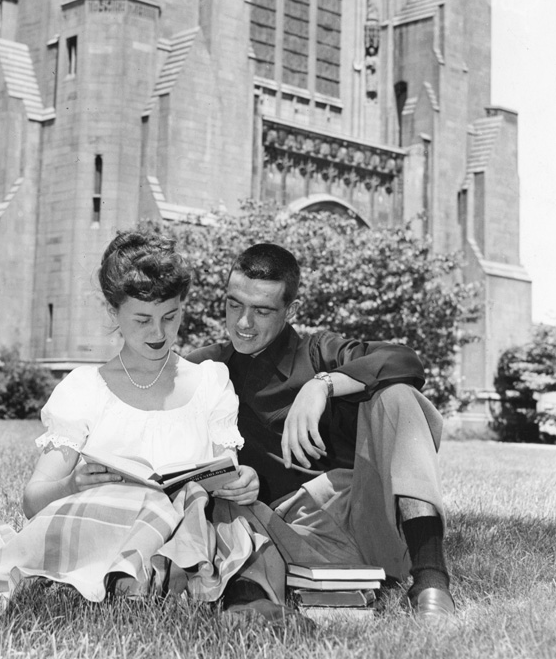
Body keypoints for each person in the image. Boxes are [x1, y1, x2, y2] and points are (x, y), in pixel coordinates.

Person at [0, 230, 264, 612]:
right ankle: (107, 579)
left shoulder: (209, 381)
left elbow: (225, 473)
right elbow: (33, 500)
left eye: (169, 317)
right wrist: (71, 483)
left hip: (179, 536)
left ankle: (132, 580)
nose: (158, 333)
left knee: (169, 508)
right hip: (94, 531)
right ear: (113, 313)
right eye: (141, 319)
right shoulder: (86, 387)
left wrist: (243, 481)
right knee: (131, 504)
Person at [187, 242, 456, 620]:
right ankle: (255, 601)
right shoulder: (205, 366)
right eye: (234, 304)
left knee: (398, 396)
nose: (243, 323)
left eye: (262, 310)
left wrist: (321, 386)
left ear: (291, 310)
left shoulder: (318, 352)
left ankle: (431, 582)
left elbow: (403, 359)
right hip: (280, 532)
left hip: (364, 519)